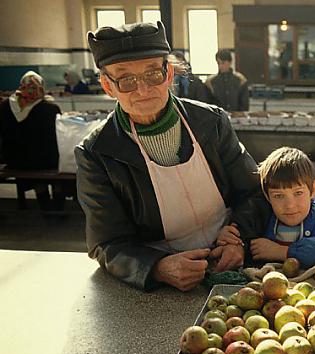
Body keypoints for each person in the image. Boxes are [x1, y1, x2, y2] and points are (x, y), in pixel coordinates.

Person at [77, 21, 270, 291]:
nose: (143, 90)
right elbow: (107, 244)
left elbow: (253, 192)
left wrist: (238, 236)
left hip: (230, 264)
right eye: (126, 80)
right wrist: (156, 267)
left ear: (168, 74)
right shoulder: (97, 152)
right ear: (108, 86)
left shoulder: (211, 122)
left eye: (152, 74)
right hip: (161, 286)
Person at [218, 147, 315, 268]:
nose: (290, 205)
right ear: (267, 195)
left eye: (298, 193)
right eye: (278, 196)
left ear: (313, 189)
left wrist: (283, 252)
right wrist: (230, 241)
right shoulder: (258, 215)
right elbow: (237, 235)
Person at [0, 71, 66, 211]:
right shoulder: (50, 109)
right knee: (60, 164)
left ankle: (44, 205)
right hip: (45, 161)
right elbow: (58, 137)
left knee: (34, 165)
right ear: (41, 88)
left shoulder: (5, 107)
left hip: (14, 161)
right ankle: (57, 206)